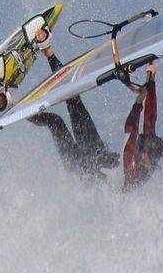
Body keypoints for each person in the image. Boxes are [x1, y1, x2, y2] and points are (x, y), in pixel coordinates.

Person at [27, 27, 120, 180]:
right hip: (95, 149)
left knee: (55, 121)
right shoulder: (128, 163)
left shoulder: (116, 194)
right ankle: (48, 50)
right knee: (72, 98)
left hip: (77, 162)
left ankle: (8, 108)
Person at [122, 63, 163, 190]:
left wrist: (138, 103)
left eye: (145, 156)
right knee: (74, 101)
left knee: (60, 121)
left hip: (101, 178)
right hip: (107, 159)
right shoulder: (149, 154)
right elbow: (150, 119)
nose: (144, 155)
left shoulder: (133, 172)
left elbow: (131, 128)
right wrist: (151, 80)